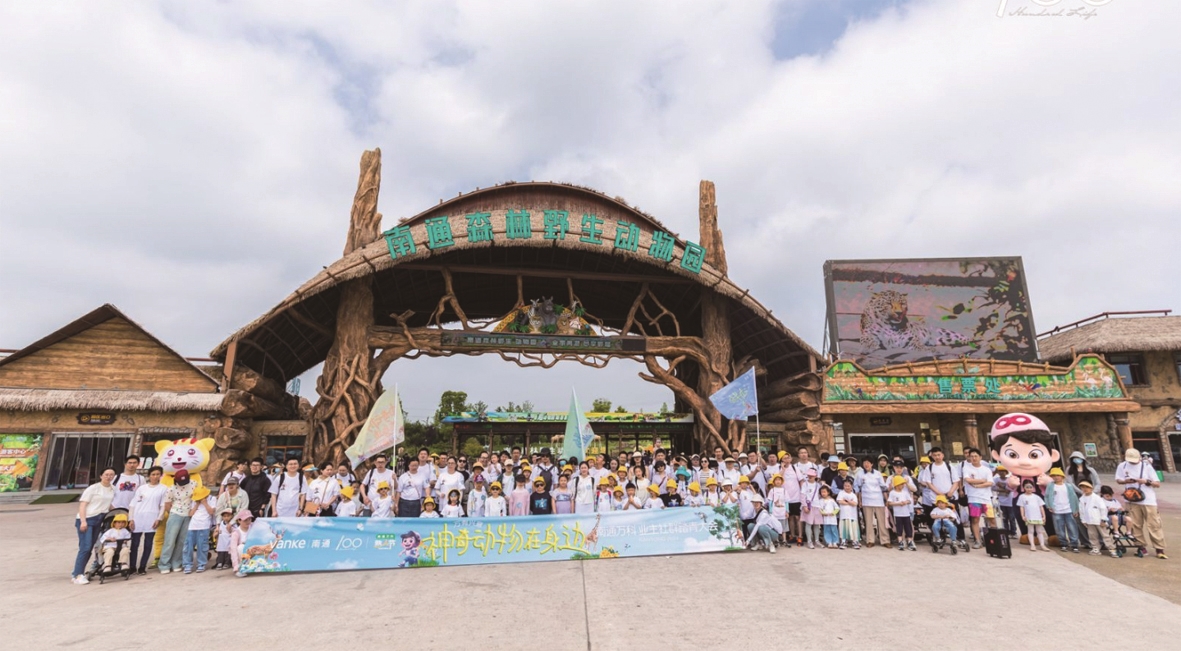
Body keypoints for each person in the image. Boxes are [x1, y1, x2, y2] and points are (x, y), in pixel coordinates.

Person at [1115, 448, 1167, 559]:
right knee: (1134, 524)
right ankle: (1140, 547)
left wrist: (1146, 481)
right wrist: (1126, 481)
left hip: (1148, 500)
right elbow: (1118, 480)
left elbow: (1157, 483)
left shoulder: (1147, 466)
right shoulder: (1122, 466)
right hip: (1131, 499)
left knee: (1154, 524)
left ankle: (1159, 548)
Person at [73, 468, 116, 580]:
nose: (109, 477)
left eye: (111, 475)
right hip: (87, 519)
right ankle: (77, 575)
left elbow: (108, 504)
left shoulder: (113, 488)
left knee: (91, 547)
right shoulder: (93, 488)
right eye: (106, 474)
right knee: (85, 547)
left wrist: (118, 512)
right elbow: (83, 505)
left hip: (100, 519)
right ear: (101, 476)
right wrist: (83, 521)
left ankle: (80, 573)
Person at [127, 465, 167, 575]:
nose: (155, 476)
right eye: (153, 474)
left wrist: (159, 518)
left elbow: (163, 505)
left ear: (161, 475)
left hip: (152, 518)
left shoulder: (163, 488)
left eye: (157, 474)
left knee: (148, 544)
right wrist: (131, 518)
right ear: (149, 475)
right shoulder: (142, 488)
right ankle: (132, 566)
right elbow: (133, 504)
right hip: (138, 517)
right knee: (134, 544)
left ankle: (142, 567)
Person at [157, 469, 195, 575]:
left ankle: (177, 562)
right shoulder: (171, 489)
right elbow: (167, 504)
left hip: (188, 515)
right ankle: (164, 564)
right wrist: (173, 513)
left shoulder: (194, 484)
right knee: (170, 540)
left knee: (182, 540)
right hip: (175, 513)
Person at [961, 448, 994, 549]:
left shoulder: (986, 469)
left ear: (980, 457)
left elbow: (990, 482)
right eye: (972, 456)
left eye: (976, 456)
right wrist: (982, 481)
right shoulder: (966, 468)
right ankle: (978, 540)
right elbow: (968, 480)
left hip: (986, 498)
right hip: (973, 498)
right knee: (975, 520)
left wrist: (977, 485)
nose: (974, 458)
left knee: (992, 519)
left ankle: (994, 539)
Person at [1044, 467, 1082, 552]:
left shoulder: (1068, 486)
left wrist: (1076, 509)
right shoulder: (1050, 486)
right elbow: (1046, 496)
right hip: (1057, 510)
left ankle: (1074, 544)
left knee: (1072, 528)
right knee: (1059, 529)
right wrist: (1049, 506)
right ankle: (1063, 543)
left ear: (1062, 476)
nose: (1056, 477)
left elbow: (1074, 497)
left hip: (1069, 510)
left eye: (1058, 475)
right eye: (1054, 475)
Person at [856, 458, 889, 548]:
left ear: (872, 464)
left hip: (878, 499)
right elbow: (858, 488)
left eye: (868, 463)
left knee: (882, 521)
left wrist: (886, 499)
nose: (866, 464)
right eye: (864, 463)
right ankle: (870, 540)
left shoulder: (878, 474)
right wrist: (859, 500)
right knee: (868, 521)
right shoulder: (860, 474)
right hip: (866, 500)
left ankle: (885, 540)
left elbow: (883, 487)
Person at [1077, 482, 1116, 557]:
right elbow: (1082, 510)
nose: (1085, 489)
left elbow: (1103, 509)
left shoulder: (1097, 498)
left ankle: (1112, 549)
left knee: (1105, 535)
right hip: (1089, 521)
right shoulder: (1082, 499)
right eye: (1083, 487)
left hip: (1099, 520)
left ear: (1091, 488)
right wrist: (1083, 520)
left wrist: (1103, 519)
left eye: (1087, 487)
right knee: (1092, 535)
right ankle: (1095, 548)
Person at [184, 485, 214, 573]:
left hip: (204, 525)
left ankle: (201, 564)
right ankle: (187, 564)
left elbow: (211, 512)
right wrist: (197, 504)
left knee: (202, 546)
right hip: (193, 525)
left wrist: (205, 503)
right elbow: (190, 514)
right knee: (188, 546)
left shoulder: (212, 499)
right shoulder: (194, 501)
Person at [1016, 480, 1050, 552]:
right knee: (1030, 531)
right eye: (1027, 487)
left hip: (1038, 516)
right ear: (1024, 488)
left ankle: (1042, 545)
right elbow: (1022, 507)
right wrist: (1023, 516)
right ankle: (1032, 545)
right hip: (1029, 516)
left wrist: (1044, 516)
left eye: (1030, 487)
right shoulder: (1022, 497)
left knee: (1039, 531)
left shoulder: (1037, 497)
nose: (1029, 489)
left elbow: (1041, 507)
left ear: (1033, 487)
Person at [887, 475, 916, 551]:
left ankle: (910, 541)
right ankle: (900, 541)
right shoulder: (892, 493)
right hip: (898, 514)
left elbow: (909, 500)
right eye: (901, 484)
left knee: (908, 528)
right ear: (897, 485)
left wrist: (905, 502)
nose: (903, 485)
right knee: (899, 528)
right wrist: (898, 503)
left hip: (906, 514)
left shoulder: (905, 492)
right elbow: (889, 502)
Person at [800, 469, 824, 549]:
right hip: (808, 506)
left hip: (817, 505)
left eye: (812, 475)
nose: (810, 477)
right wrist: (804, 506)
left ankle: (817, 540)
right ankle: (809, 541)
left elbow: (820, 495)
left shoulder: (818, 485)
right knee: (808, 523)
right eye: (809, 475)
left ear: (815, 476)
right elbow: (802, 496)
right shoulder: (805, 484)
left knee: (817, 524)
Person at [993, 466, 1018, 535]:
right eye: (1000, 471)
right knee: (1004, 518)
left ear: (1006, 472)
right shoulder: (996, 479)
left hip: (1010, 502)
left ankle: (1013, 532)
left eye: (1003, 471)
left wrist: (1002, 487)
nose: (1001, 473)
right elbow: (992, 488)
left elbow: (1011, 489)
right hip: (1001, 502)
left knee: (1012, 518)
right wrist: (1004, 489)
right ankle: (1006, 532)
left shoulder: (1010, 480)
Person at [836, 478, 860, 550]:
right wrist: (850, 502)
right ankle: (844, 541)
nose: (847, 487)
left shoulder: (853, 495)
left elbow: (855, 503)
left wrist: (846, 501)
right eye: (845, 486)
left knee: (853, 528)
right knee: (844, 528)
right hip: (844, 515)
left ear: (851, 486)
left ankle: (855, 541)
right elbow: (840, 501)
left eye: (848, 486)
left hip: (852, 515)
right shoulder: (841, 493)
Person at [230, 510, 253, 577]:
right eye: (245, 520)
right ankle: (241, 568)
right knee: (240, 547)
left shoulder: (254, 527)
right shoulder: (236, 533)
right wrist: (236, 566)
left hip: (254, 551)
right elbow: (233, 549)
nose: (248, 522)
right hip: (243, 554)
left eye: (249, 519)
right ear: (239, 521)